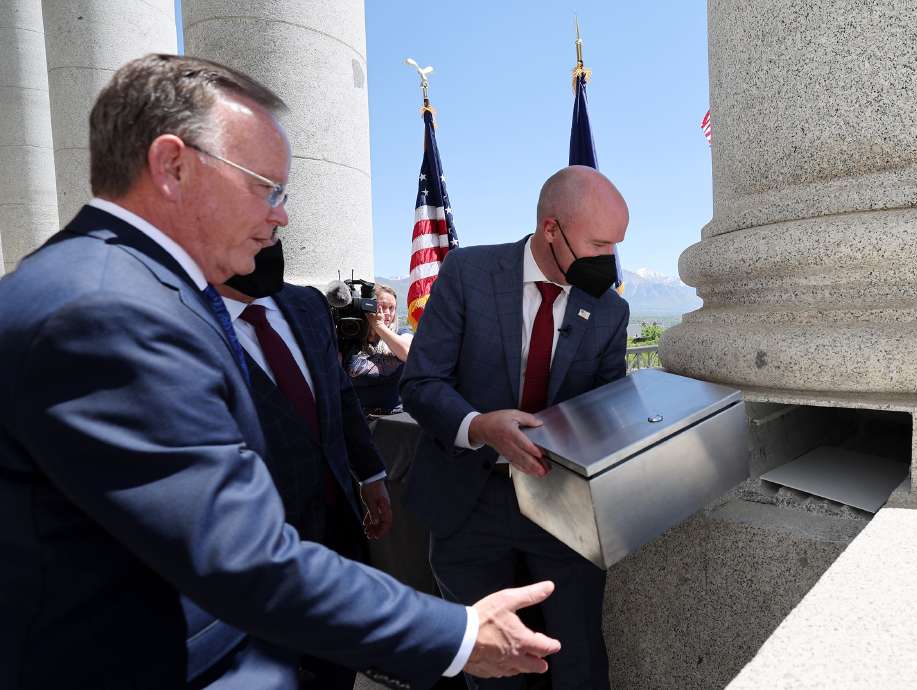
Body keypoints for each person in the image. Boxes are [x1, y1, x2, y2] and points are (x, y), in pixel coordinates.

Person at [0, 53, 559, 690]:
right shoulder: (108, 311)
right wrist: (459, 635)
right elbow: (241, 561)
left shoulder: (127, 285)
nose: (282, 216)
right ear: (172, 166)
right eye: (264, 186)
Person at [402, 165, 631, 690]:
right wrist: (480, 426)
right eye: (597, 244)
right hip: (467, 504)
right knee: (491, 669)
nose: (608, 261)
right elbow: (420, 383)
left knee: (577, 658)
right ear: (552, 229)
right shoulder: (467, 274)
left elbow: (605, 407)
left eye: (615, 244)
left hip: (563, 509)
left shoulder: (610, 311)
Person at [216, 240, 396, 689]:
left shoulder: (307, 305)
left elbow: (338, 394)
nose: (278, 225)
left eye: (280, 204)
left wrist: (371, 476)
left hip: (337, 535)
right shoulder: (177, 325)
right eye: (259, 208)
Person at [348, 283, 413, 414]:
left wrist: (378, 325)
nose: (387, 313)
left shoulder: (402, 333)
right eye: (381, 307)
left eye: (392, 308)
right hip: (358, 416)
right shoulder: (351, 338)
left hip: (395, 417)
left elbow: (407, 353)